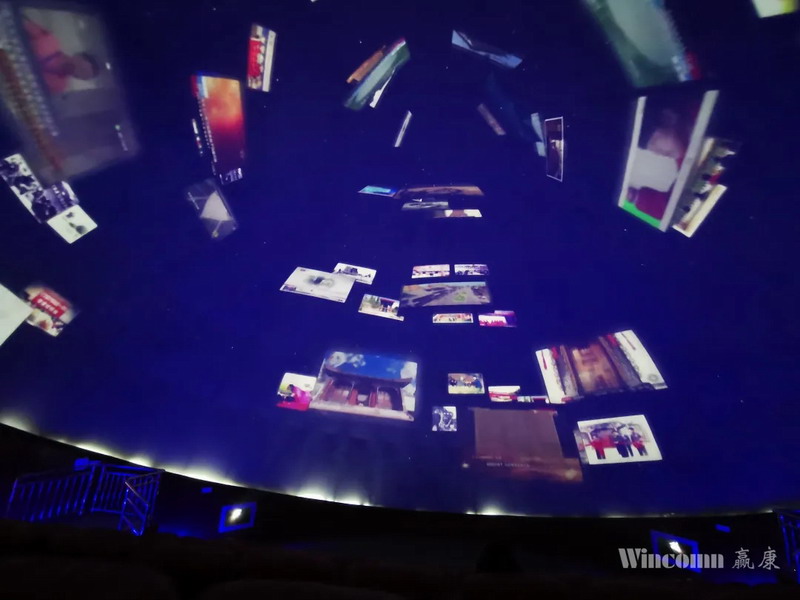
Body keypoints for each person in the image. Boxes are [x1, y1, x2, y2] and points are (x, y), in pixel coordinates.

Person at [23, 17, 101, 95]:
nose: (77, 72)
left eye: (80, 76)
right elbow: (20, 24)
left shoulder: (59, 86)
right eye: (82, 69)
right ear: (78, 56)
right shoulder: (50, 41)